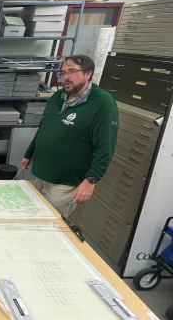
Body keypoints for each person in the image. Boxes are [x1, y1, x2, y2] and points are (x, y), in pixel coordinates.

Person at [21, 54, 119, 218]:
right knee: (35, 216)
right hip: (42, 174)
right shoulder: (56, 98)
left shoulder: (103, 104)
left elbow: (105, 147)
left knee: (50, 224)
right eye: (63, 73)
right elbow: (44, 128)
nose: (66, 77)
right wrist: (30, 153)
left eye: (72, 71)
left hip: (66, 183)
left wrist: (90, 181)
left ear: (88, 74)